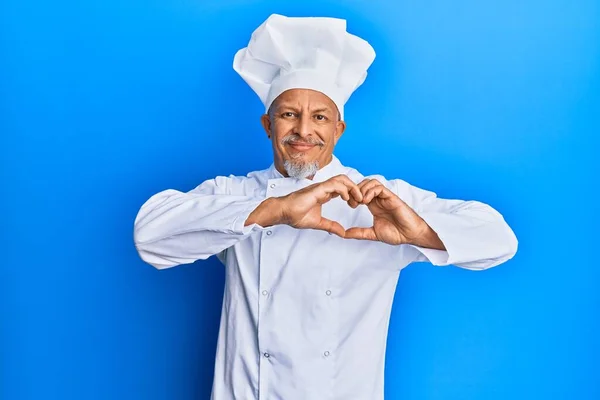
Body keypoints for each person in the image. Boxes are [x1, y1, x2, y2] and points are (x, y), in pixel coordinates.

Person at [133, 13, 518, 400]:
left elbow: (500, 240)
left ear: (339, 129)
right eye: (288, 114)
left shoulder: (379, 200)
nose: (303, 130)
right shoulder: (237, 192)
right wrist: (274, 209)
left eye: (320, 117)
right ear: (268, 125)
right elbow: (149, 234)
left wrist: (418, 233)